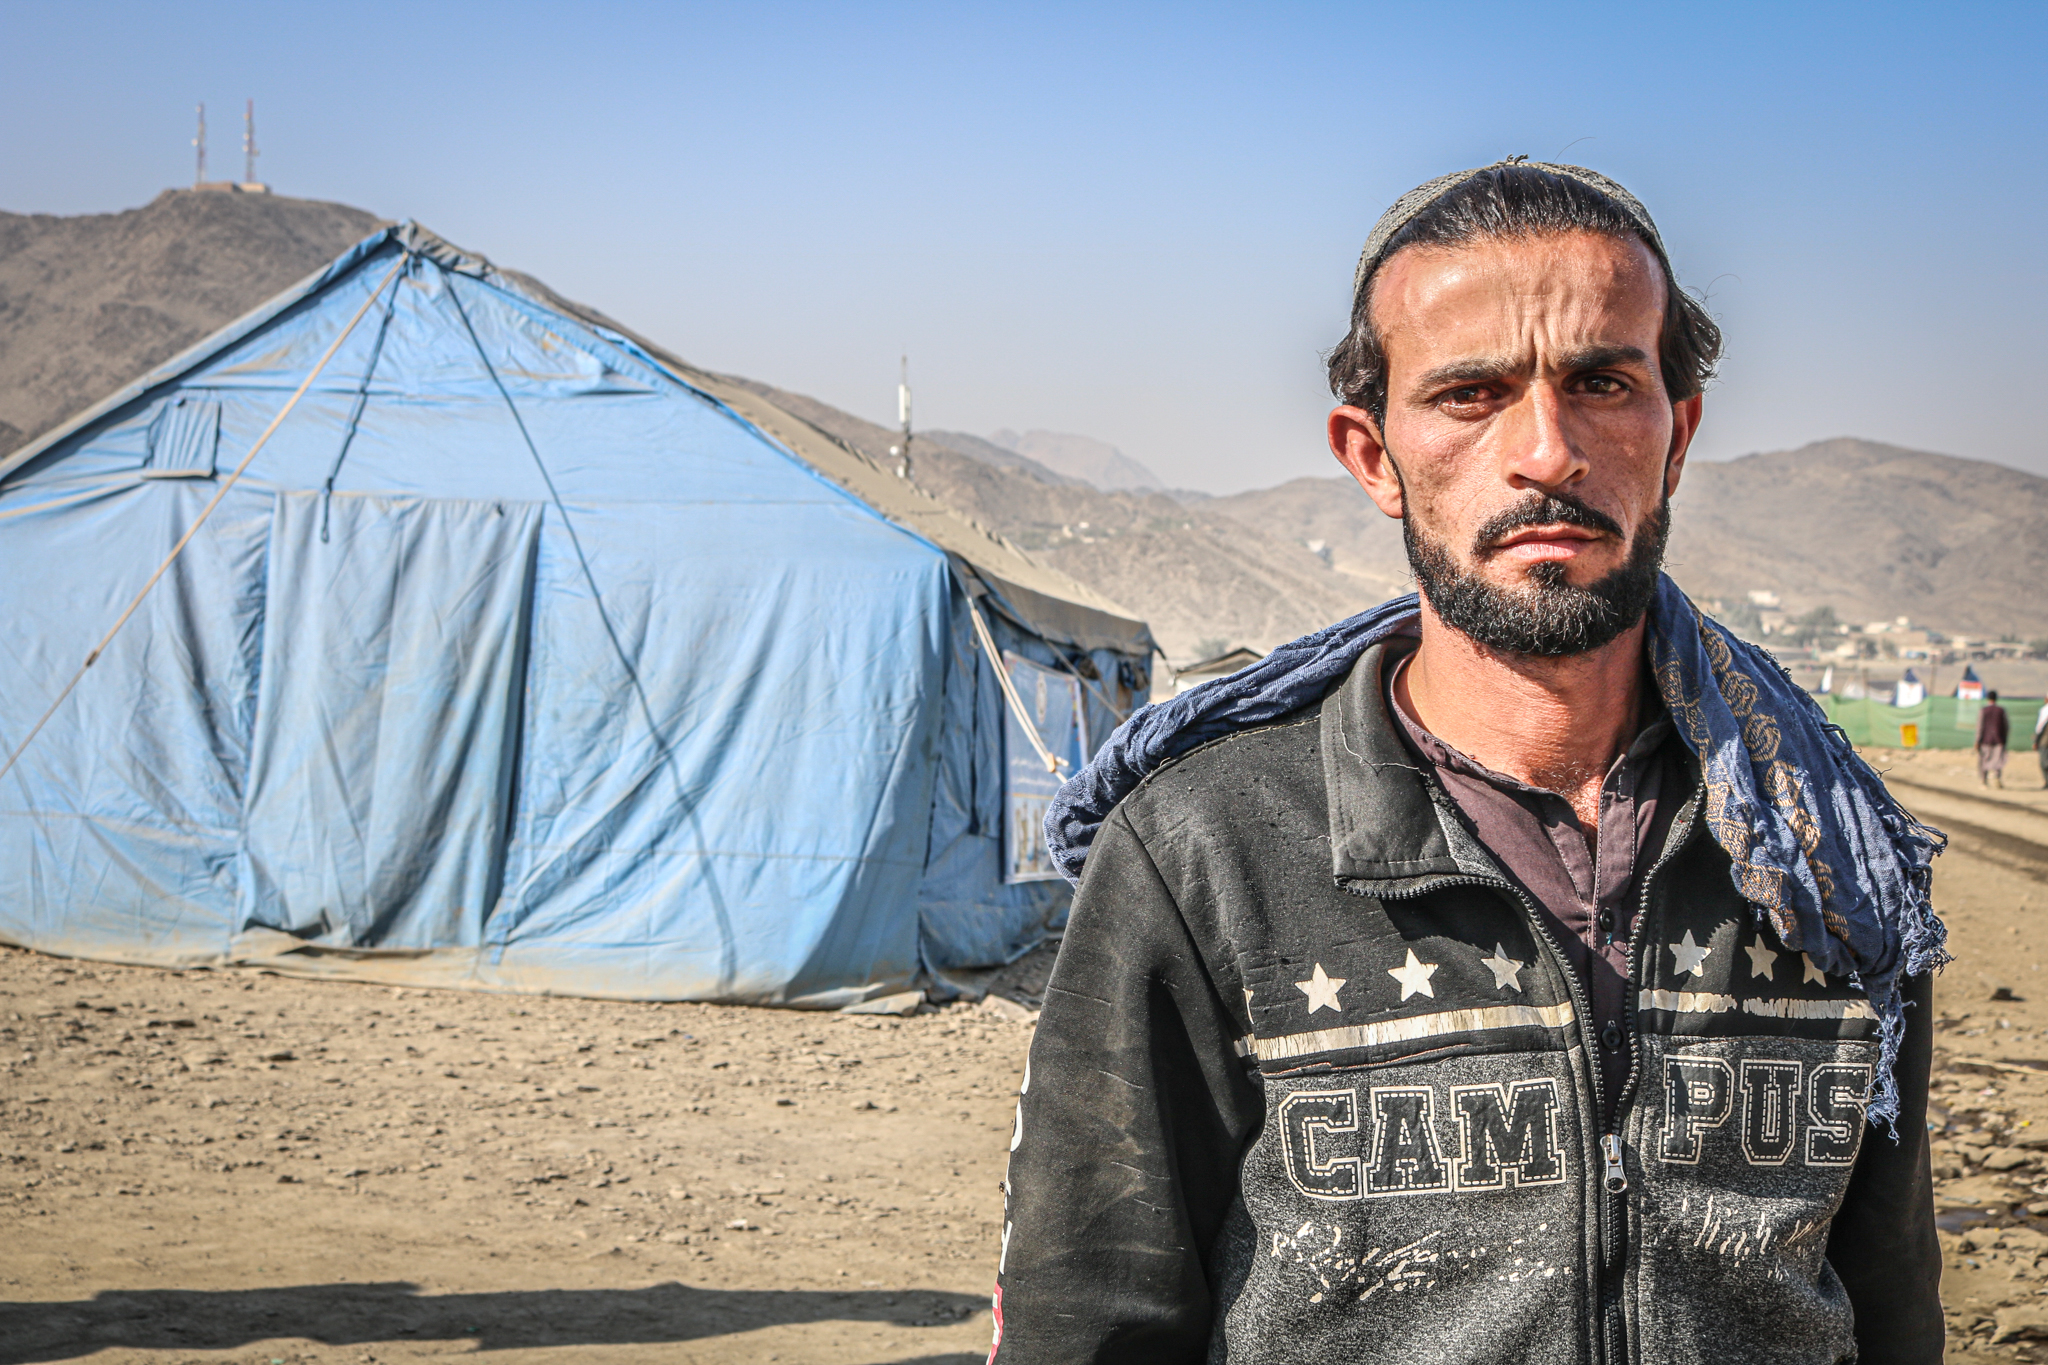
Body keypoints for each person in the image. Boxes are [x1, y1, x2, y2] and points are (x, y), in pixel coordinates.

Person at [990, 162, 1945, 1365]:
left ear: (1676, 433)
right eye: (1468, 394)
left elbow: (1894, 1309)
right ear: (1372, 455)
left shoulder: (1827, 857)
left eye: (1601, 382)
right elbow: (1086, 1324)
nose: (1545, 450)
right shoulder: (1205, 851)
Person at [1979, 689, 2010, 787]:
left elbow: (1980, 726)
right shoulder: (2001, 710)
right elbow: (2006, 726)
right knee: (1998, 760)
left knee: (1985, 759)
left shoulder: (1984, 710)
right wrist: (2004, 738)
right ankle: (1997, 779)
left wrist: (1977, 740)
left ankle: (1984, 781)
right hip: (1999, 739)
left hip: (1986, 739)